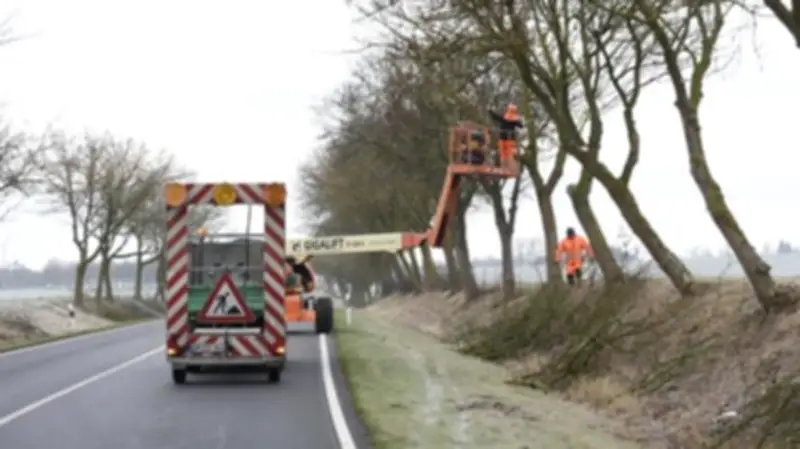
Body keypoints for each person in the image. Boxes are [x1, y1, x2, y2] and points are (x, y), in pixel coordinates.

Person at [488, 103, 523, 168]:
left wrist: (490, 111)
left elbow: (496, 117)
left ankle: (508, 166)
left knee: (507, 154)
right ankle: (506, 166)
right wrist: (490, 112)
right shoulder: (511, 119)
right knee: (506, 153)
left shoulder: (510, 119)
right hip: (506, 138)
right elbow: (521, 125)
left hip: (507, 138)